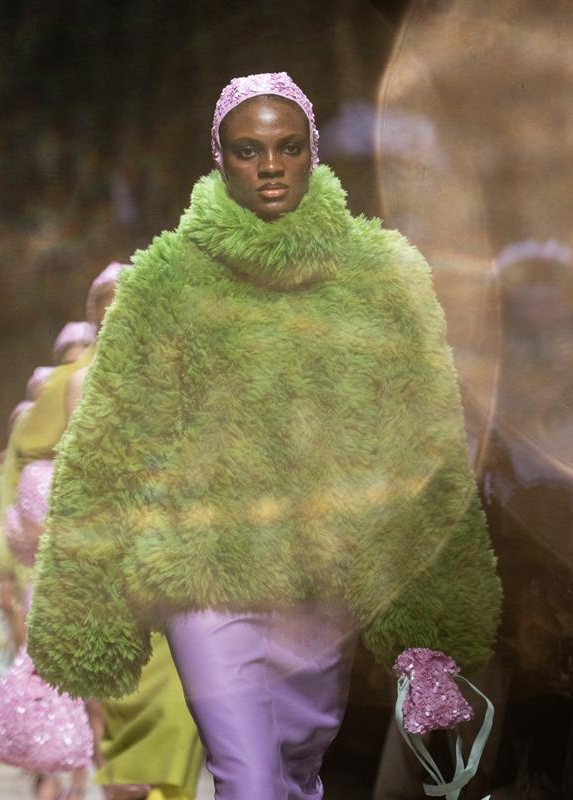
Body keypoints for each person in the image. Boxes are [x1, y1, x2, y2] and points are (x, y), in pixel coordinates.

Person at [28, 72, 502, 798]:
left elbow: (422, 443)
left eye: (288, 147)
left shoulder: (381, 275)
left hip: (321, 583)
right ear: (219, 158)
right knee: (248, 777)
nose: (271, 165)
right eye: (249, 150)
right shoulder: (163, 283)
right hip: (203, 574)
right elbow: (108, 445)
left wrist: (431, 621)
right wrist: (80, 604)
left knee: (295, 776)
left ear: (315, 150)